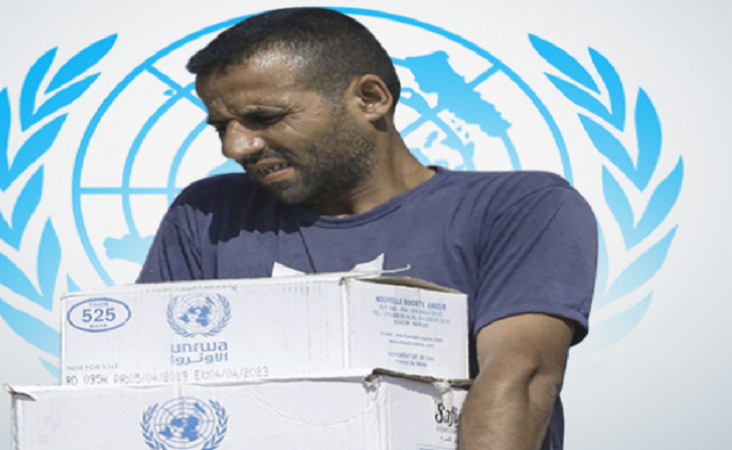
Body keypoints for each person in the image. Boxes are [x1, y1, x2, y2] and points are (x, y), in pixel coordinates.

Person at [138, 7, 597, 450]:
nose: (236, 146)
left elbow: (521, 376)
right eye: (221, 126)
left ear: (371, 99)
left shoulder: (518, 207)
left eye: (266, 117)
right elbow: (149, 379)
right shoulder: (208, 214)